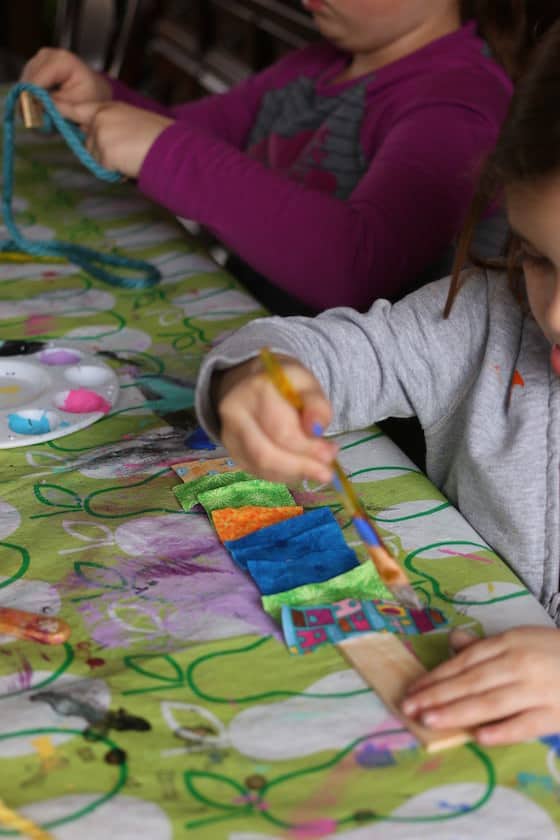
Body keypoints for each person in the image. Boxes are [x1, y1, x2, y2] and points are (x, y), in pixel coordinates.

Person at [194, 19, 560, 745]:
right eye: (539, 258)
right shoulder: (486, 321)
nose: (552, 313)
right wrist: (263, 379)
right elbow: (319, 346)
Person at [21, 0, 519, 315]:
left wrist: (164, 150)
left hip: (347, 412)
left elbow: (360, 270)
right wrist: (104, 98)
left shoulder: (459, 104)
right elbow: (197, 135)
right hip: (248, 337)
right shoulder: (318, 62)